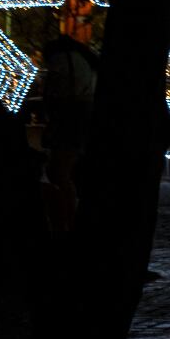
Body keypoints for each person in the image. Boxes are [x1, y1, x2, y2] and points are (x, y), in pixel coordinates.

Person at [39, 21, 101, 231]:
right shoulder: (84, 61)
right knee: (65, 169)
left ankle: (67, 216)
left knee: (59, 170)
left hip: (69, 117)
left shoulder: (61, 61)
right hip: (83, 115)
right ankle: (69, 213)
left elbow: (53, 91)